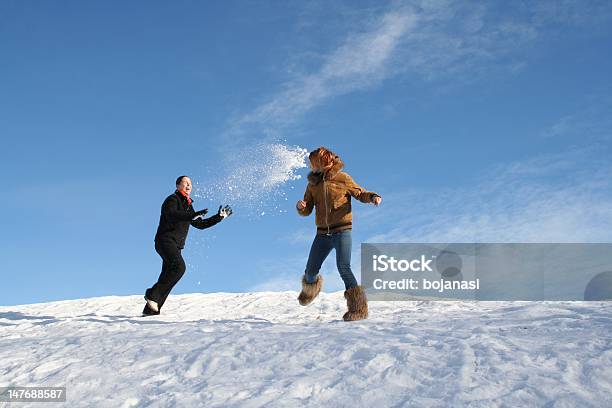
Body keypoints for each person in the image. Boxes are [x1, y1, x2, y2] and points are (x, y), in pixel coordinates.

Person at [296, 147, 381, 321]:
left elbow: (360, 193)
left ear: (323, 161)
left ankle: (358, 309)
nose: (311, 166)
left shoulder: (343, 178)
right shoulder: (313, 184)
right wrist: (302, 207)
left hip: (342, 231)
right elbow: (308, 208)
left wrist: (372, 197)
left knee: (344, 267)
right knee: (310, 271)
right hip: (322, 235)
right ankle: (311, 291)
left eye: (313, 163)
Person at [143, 176, 233, 316]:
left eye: (190, 184)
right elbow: (172, 214)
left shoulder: (188, 206)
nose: (189, 185)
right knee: (179, 268)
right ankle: (152, 294)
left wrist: (219, 217)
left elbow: (200, 225)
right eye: (186, 183)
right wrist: (191, 215)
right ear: (178, 185)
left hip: (176, 245)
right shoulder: (172, 199)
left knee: (167, 276)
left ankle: (150, 311)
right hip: (165, 240)